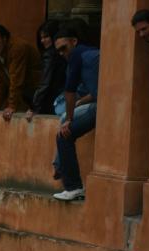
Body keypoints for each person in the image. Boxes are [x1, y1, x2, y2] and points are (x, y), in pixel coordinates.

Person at [52, 24, 100, 202]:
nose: (62, 53)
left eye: (64, 48)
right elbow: (96, 90)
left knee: (64, 134)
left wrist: (70, 119)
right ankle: (60, 167)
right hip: (102, 103)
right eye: (58, 51)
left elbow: (69, 91)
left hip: (102, 108)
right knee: (65, 125)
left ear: (74, 42)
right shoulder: (93, 53)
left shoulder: (77, 56)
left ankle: (73, 187)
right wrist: (81, 102)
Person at [0, 24, 42, 122]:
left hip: (38, 92)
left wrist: (11, 106)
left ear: (4, 39)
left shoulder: (18, 48)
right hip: (25, 95)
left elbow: (16, 78)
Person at [26, 20, 67, 120]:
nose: (42, 41)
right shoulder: (61, 53)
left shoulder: (50, 55)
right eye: (41, 38)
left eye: (46, 37)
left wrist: (33, 107)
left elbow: (45, 83)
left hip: (51, 101)